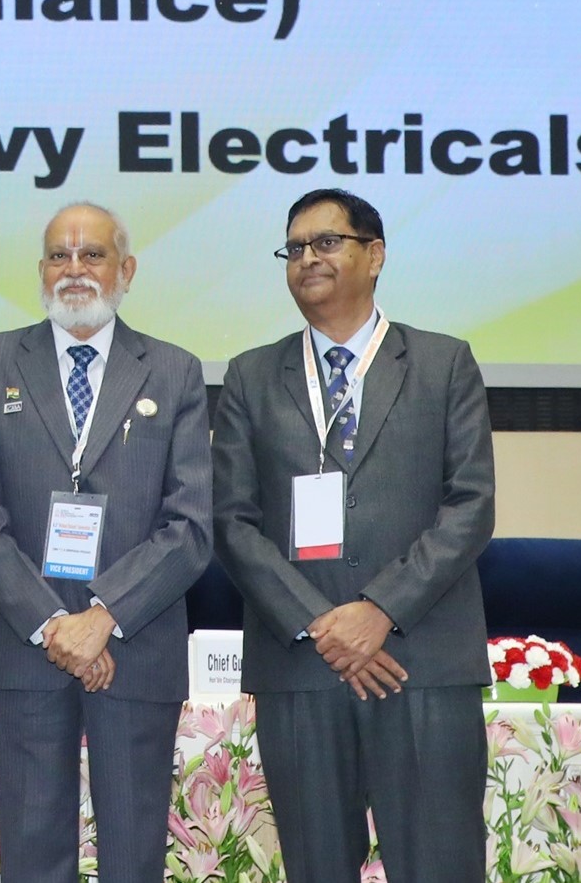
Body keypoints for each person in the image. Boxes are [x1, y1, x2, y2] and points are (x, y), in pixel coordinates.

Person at [212, 187, 496, 883]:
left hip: (420, 663)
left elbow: (470, 505)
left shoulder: (443, 363)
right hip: (302, 668)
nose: (308, 258)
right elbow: (231, 521)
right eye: (294, 248)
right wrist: (322, 624)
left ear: (375, 255)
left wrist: (379, 610)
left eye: (326, 242)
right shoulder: (251, 375)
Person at [0, 202, 212, 883]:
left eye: (92, 254)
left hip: (135, 645)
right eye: (58, 256)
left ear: (126, 269)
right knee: (32, 854)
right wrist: (53, 624)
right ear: (40, 269)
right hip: (29, 647)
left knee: (133, 855)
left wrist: (102, 617)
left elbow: (190, 524)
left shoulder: (175, 370)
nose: (74, 269)